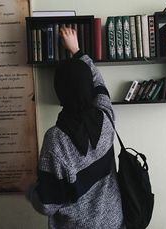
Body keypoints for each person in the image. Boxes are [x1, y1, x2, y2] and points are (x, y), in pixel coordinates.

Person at [26, 26, 125, 229]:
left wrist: (28, 190)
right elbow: (99, 83)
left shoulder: (56, 140)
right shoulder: (106, 117)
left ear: (58, 92)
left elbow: (47, 205)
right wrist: (77, 51)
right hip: (115, 222)